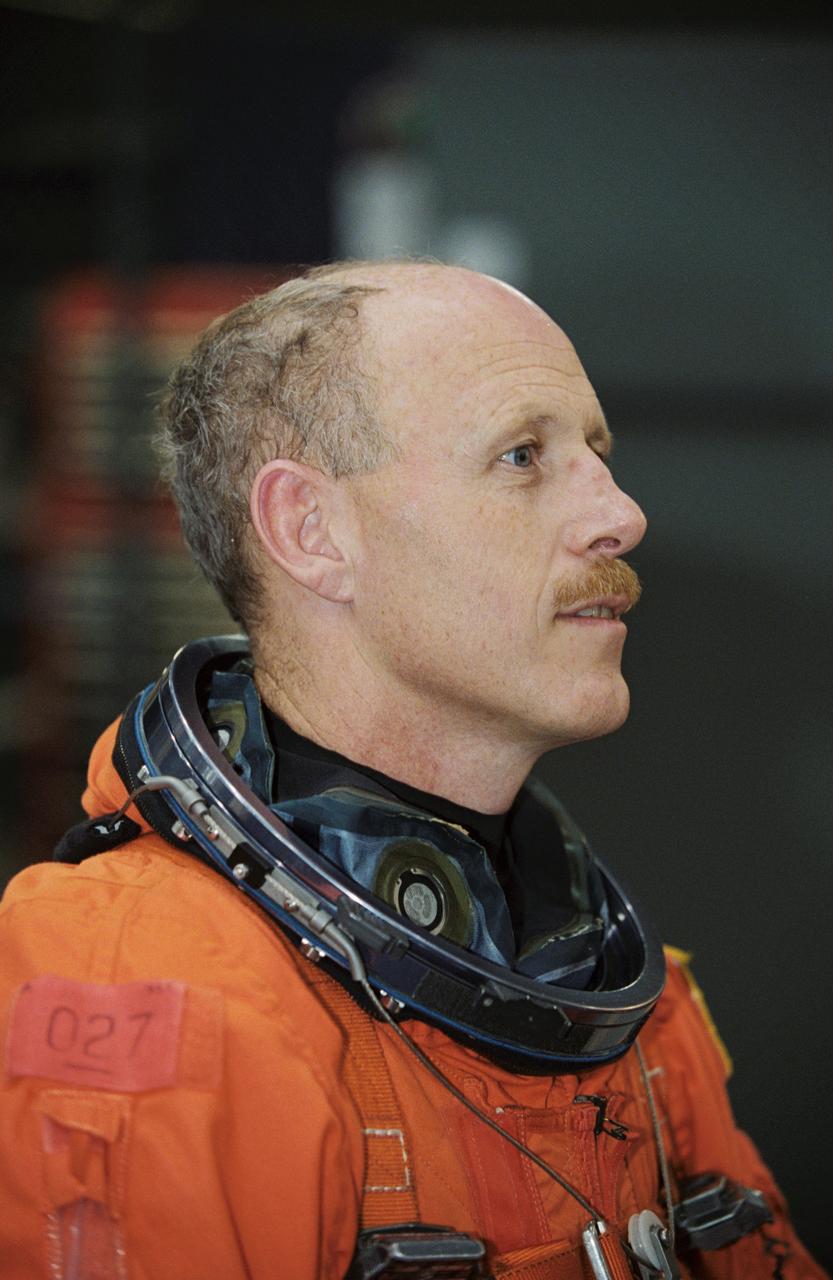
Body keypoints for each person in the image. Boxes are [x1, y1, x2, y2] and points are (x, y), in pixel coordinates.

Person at [0, 261, 825, 1280]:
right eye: (522, 455)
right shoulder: (140, 984)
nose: (620, 513)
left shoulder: (623, 997)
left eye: (597, 455)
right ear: (311, 530)